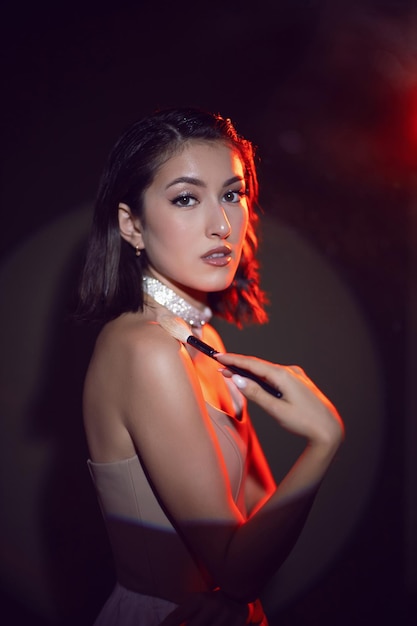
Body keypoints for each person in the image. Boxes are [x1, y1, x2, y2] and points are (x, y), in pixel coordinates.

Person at [77, 107, 344, 625]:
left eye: (232, 194)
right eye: (185, 198)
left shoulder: (201, 339)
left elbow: (257, 512)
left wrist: (234, 595)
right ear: (132, 225)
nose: (222, 225)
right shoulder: (145, 350)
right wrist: (325, 440)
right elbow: (239, 568)